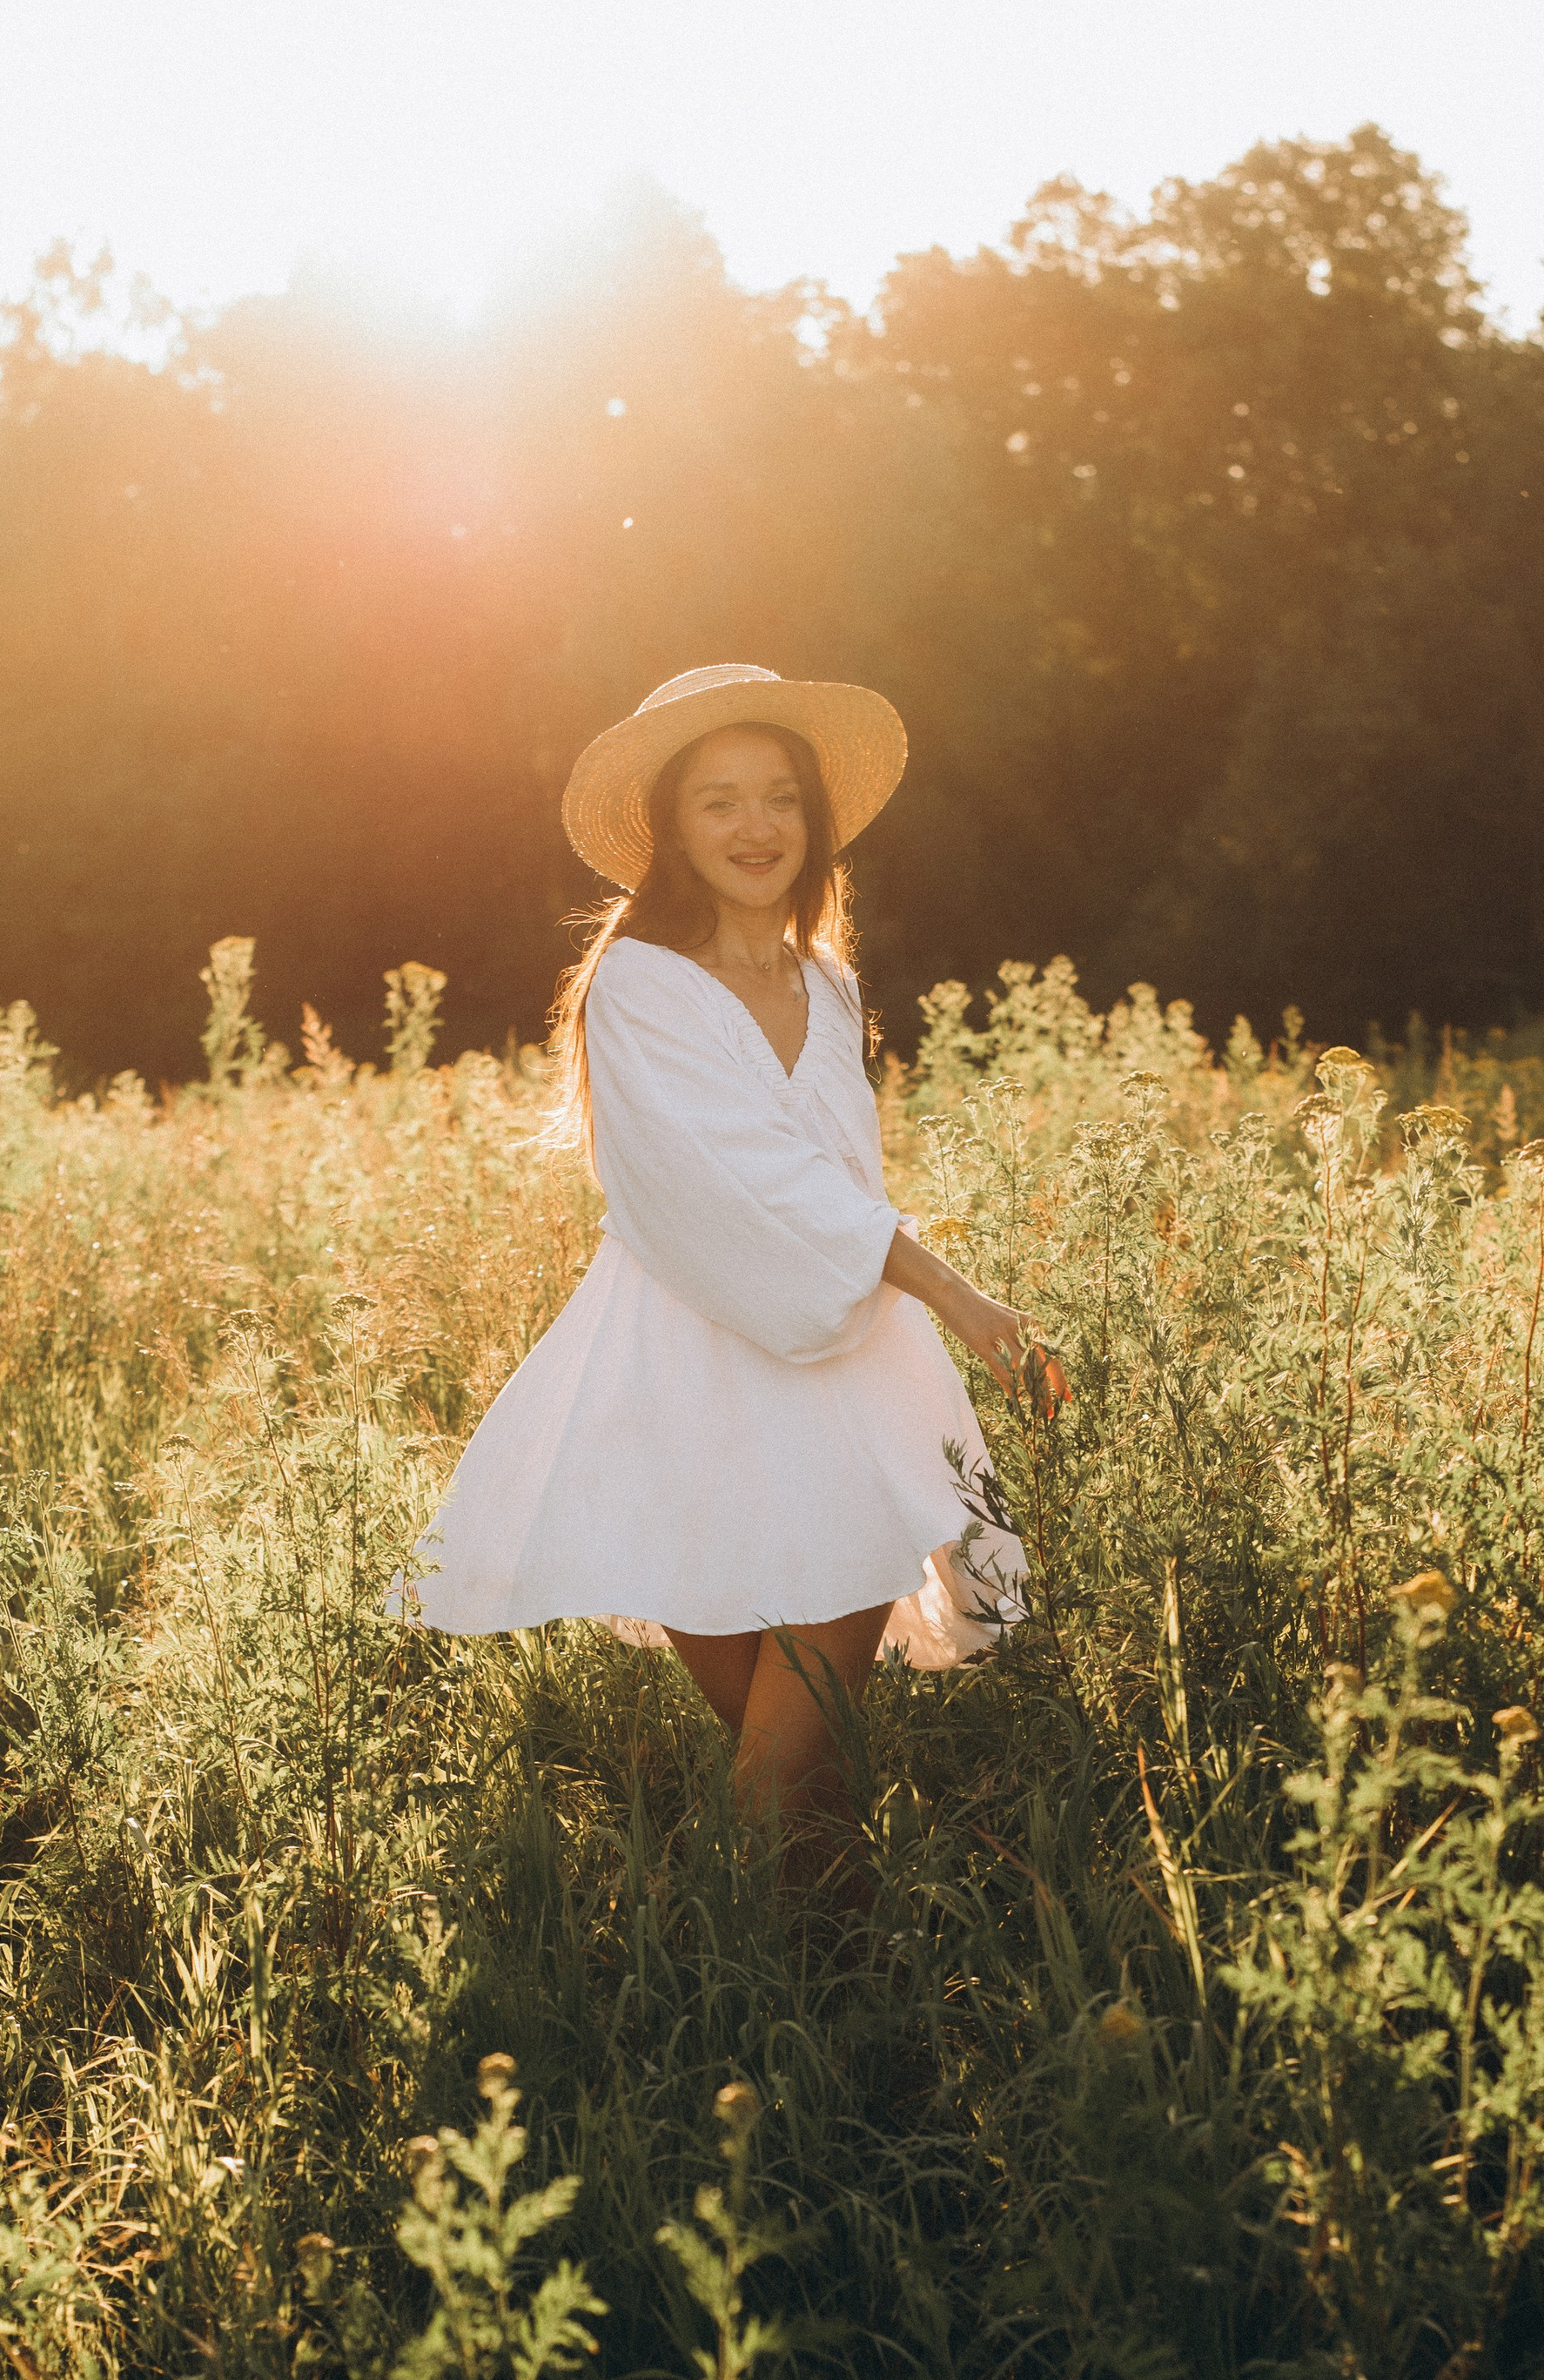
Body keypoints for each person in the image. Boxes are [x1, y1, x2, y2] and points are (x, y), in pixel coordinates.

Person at [399, 660, 1064, 1866]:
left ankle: (797, 1989)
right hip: (683, 1383)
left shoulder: (829, 979)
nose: (756, 827)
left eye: (780, 798)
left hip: (844, 1373)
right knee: (788, 1780)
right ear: (671, 826)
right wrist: (962, 1299)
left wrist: (917, 1298)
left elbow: (834, 1193)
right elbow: (753, 1191)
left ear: (813, 819)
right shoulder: (640, 986)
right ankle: (770, 2002)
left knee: (804, 1764)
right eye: (719, 800)